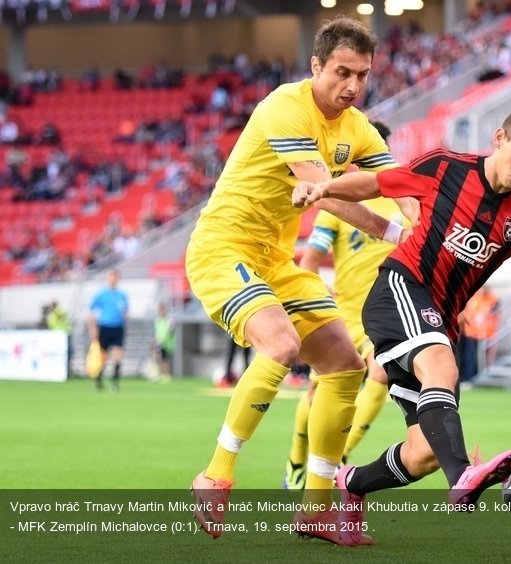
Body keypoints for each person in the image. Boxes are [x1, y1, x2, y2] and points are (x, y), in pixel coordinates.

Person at [292, 101, 511, 545]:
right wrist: (324, 188)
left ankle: (351, 484)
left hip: (439, 321)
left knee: (424, 453)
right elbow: (374, 184)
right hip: (400, 288)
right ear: (499, 139)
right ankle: (463, 476)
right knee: (442, 369)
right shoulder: (443, 167)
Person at [185, 16, 408, 545]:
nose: (352, 86)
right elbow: (323, 189)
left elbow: (399, 183)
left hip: (275, 260)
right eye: (341, 72)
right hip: (223, 248)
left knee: (344, 365)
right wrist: (387, 228)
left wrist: (418, 226)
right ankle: (215, 475)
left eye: (362, 75)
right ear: (316, 66)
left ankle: (315, 509)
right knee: (281, 346)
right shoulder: (285, 106)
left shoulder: (358, 127)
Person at [283, 138, 414, 489]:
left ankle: (340, 454)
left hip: (381, 314)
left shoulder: (403, 209)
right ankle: (296, 461)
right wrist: (314, 293)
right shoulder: (337, 208)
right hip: (341, 313)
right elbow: (310, 259)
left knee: (382, 373)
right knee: (317, 391)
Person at [86, 269, 129, 391]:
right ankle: (99, 377)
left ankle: (115, 381)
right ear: (107, 278)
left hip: (118, 327)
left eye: (115, 276)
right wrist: (92, 329)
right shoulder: (101, 294)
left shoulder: (122, 295)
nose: (113, 279)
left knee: (118, 355)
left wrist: (125, 315)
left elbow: (125, 311)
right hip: (104, 327)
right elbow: (91, 312)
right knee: (103, 356)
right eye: (111, 276)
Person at [457, 285, 500, 387]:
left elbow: (487, 313)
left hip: (483, 333)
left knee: (474, 357)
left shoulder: (491, 299)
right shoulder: (475, 298)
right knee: (468, 356)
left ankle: (470, 378)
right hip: (470, 331)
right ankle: (466, 378)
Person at [46, 300, 73, 377]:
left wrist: (55, 310)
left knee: (66, 354)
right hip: (56, 337)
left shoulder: (59, 311)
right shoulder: (51, 314)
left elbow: (61, 316)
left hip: (64, 335)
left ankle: (66, 372)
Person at [153, 303, 175, 381]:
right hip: (159, 342)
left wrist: (164, 339)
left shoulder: (168, 320)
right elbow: (156, 331)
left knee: (165, 359)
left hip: (167, 343)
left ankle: (167, 375)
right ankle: (160, 374)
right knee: (159, 359)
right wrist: (156, 339)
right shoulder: (158, 320)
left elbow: (170, 331)